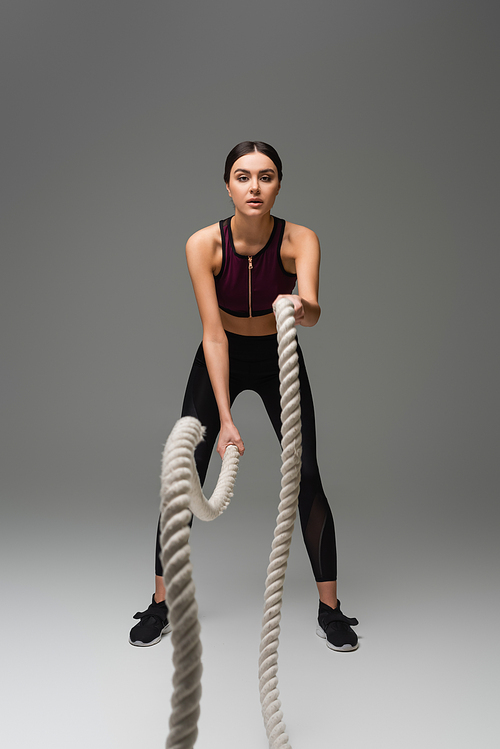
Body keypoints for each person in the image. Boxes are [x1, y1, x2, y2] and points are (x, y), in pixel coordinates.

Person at [129, 141, 359, 651]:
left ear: (279, 183)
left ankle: (332, 610)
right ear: (227, 184)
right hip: (222, 352)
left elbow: (316, 310)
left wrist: (300, 308)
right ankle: (161, 603)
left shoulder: (301, 239)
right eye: (243, 176)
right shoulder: (202, 245)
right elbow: (213, 334)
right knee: (184, 475)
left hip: (279, 351)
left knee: (308, 474)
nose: (254, 187)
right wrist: (226, 417)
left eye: (266, 176)